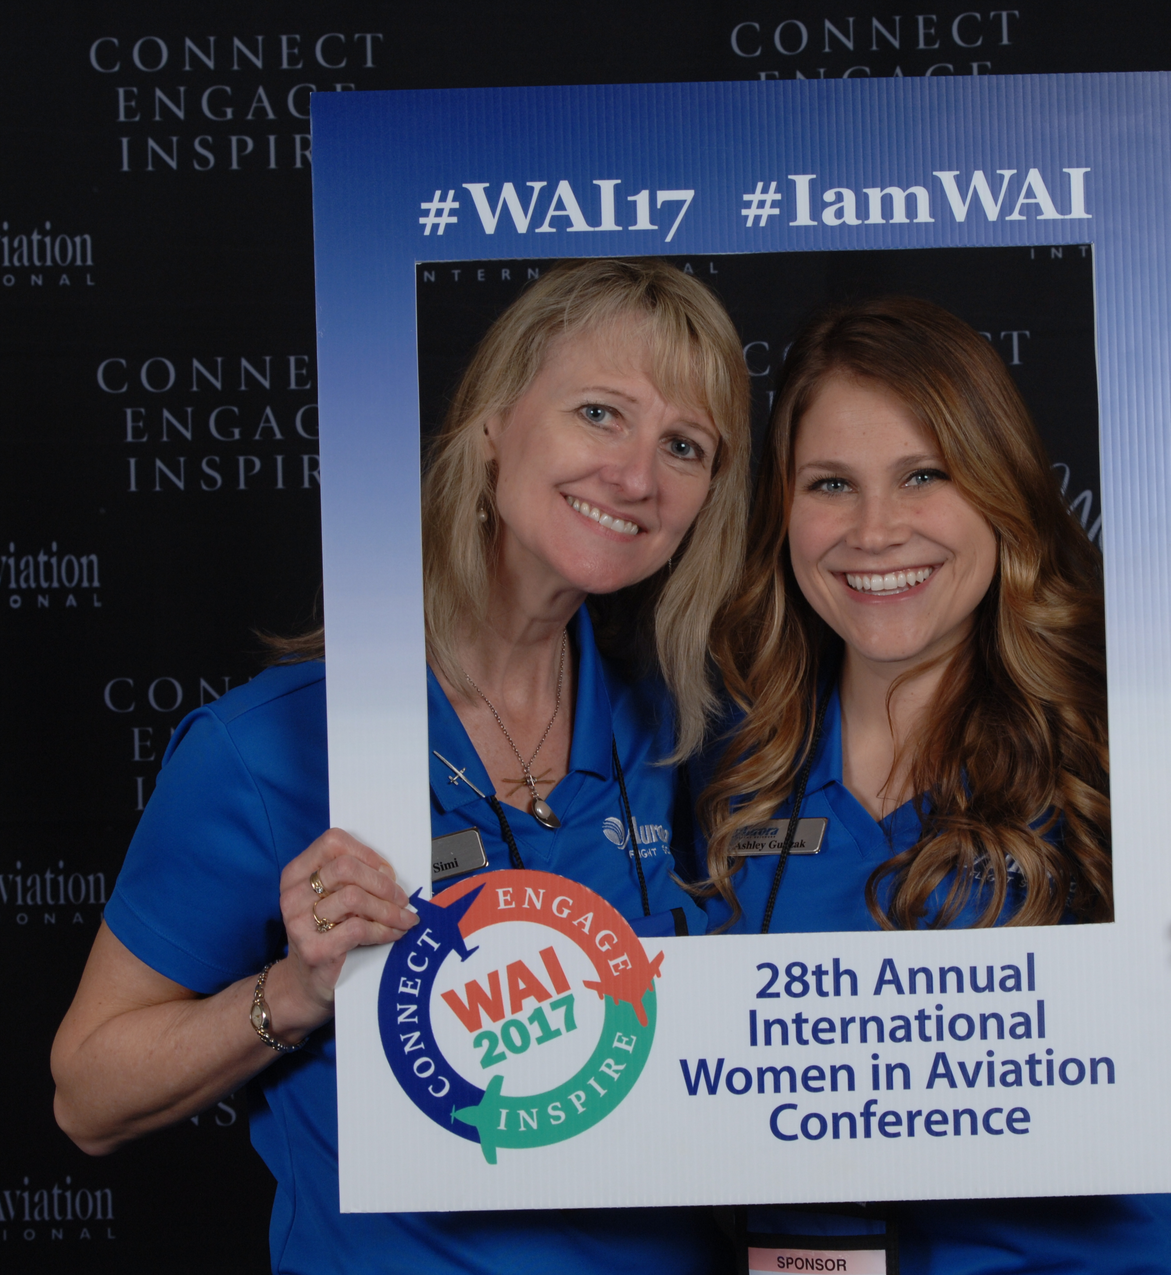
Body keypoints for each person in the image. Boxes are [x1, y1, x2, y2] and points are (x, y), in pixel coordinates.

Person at [51, 259, 750, 1273]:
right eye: (600, 413)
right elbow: (86, 1099)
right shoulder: (267, 749)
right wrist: (292, 995)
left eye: (683, 446)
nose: (637, 475)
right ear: (492, 428)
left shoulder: (692, 735)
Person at [694, 296, 1171, 1273]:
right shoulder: (707, 765)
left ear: (1003, 492)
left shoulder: (1128, 761)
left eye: (924, 476)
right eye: (831, 483)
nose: (876, 531)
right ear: (781, 509)